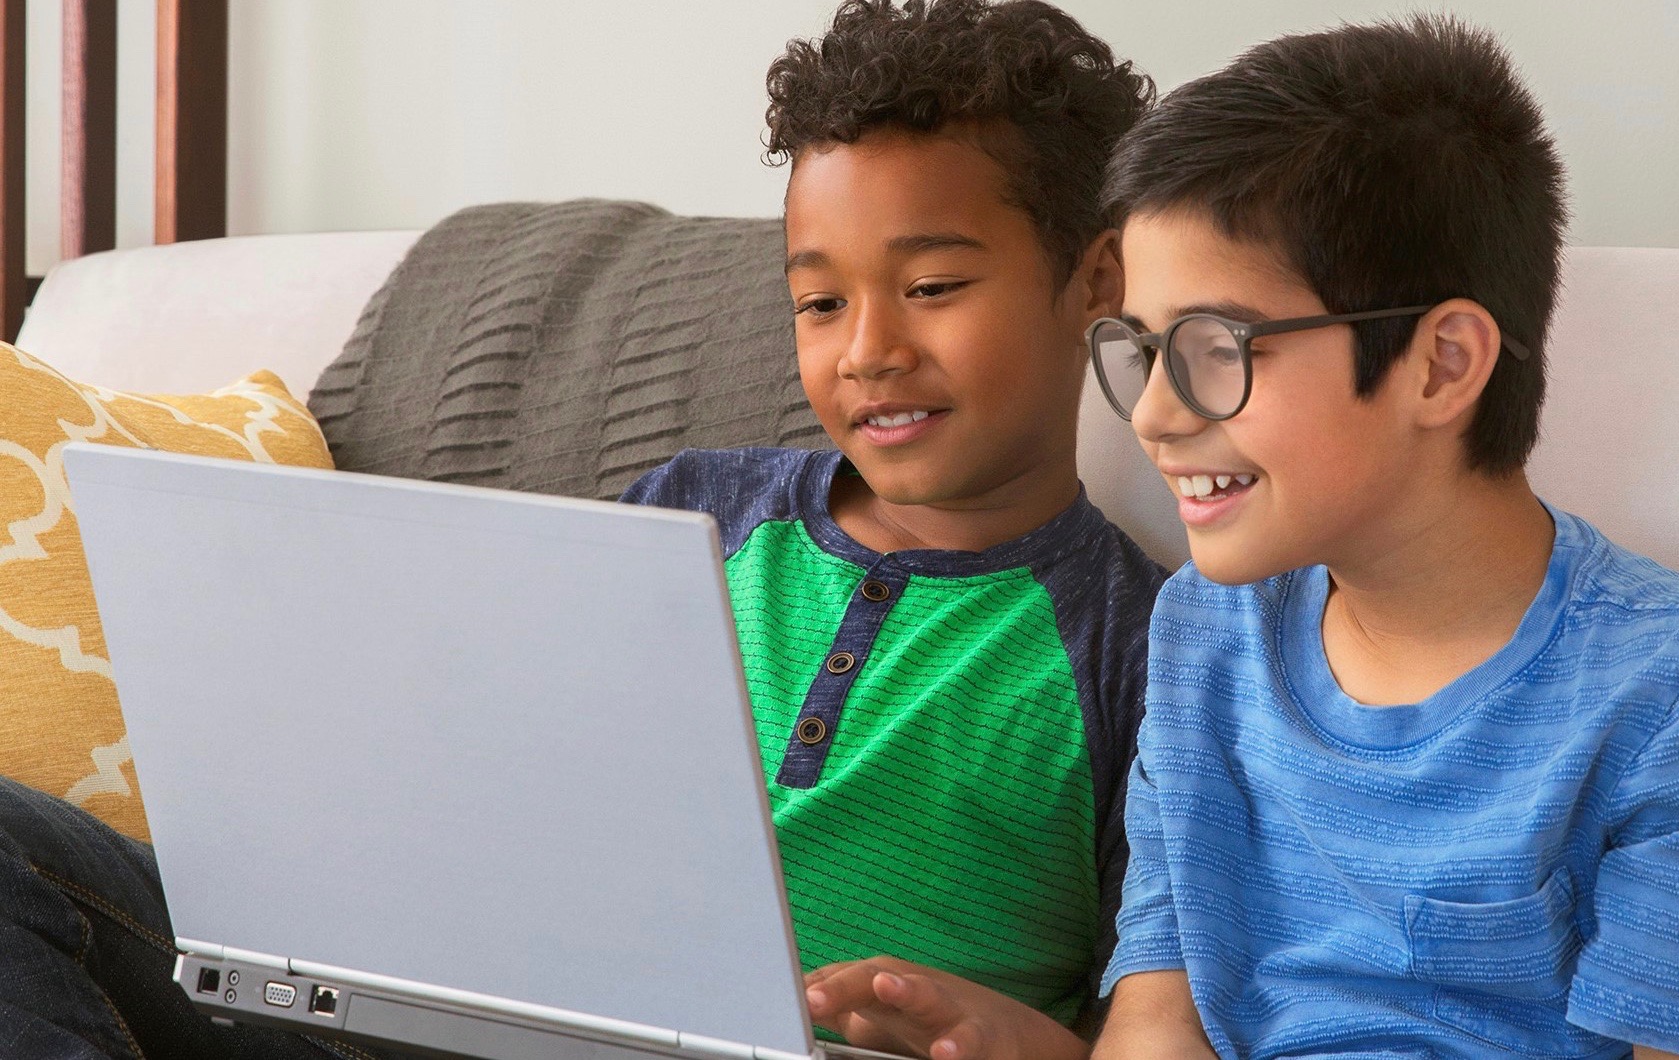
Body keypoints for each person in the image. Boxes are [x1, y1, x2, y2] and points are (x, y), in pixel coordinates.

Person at [0, 2, 1161, 1058]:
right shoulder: (693, 510)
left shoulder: (1144, 643)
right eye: (819, 301)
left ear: (1096, 277)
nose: (866, 350)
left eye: (934, 287)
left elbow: (1159, 1014)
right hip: (445, 1012)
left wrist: (1030, 1047)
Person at [1081, 16, 1679, 1060]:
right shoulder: (1202, 632)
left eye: (1215, 348)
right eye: (1141, 350)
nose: (1155, 415)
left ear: (1440, 365)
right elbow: (1157, 1009)